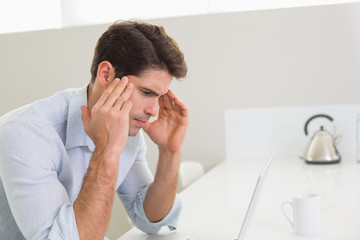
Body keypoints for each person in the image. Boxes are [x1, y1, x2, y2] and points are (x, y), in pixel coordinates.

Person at [0, 20, 189, 240]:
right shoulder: (25, 134)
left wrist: (170, 152)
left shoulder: (127, 127)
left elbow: (149, 219)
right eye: (146, 92)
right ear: (107, 75)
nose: (154, 110)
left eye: (159, 96)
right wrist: (106, 152)